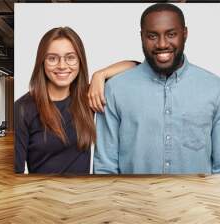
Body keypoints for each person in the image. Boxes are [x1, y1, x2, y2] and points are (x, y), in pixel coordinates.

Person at [93, 3, 220, 174]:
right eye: (152, 36)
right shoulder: (114, 89)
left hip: (195, 199)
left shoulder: (216, 89)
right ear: (142, 36)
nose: (162, 44)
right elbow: (105, 166)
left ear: (185, 34)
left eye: (171, 34)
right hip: (132, 199)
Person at [14, 27, 136, 174]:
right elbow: (16, 173)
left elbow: (135, 66)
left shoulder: (87, 96)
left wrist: (100, 74)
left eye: (70, 57)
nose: (62, 65)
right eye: (52, 58)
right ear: (42, 62)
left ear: (80, 61)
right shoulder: (22, 108)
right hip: (42, 194)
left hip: (81, 194)